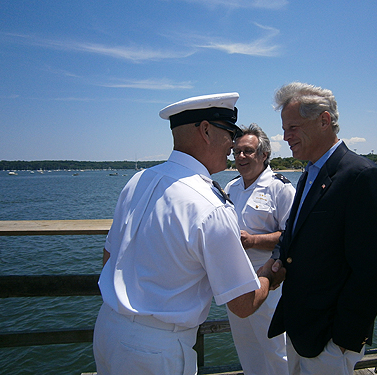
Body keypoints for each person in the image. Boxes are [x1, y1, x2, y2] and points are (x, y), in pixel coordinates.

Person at [93, 92, 285, 375]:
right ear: (206, 130)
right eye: (230, 133)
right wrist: (270, 274)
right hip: (157, 350)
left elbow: (109, 256)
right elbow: (243, 304)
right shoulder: (210, 205)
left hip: (108, 329)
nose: (232, 146)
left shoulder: (139, 180)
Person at [267, 82, 377, 375]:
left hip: (329, 342)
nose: (286, 137)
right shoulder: (308, 174)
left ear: (324, 120)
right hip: (299, 330)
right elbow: (294, 237)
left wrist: (343, 341)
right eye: (285, 128)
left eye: (293, 127)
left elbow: (371, 272)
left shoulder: (361, 177)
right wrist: (276, 261)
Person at [224, 123, 295, 375]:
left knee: (276, 348)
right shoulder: (230, 188)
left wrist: (252, 241)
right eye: (237, 152)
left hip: (270, 281)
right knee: (246, 345)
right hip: (236, 280)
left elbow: (293, 236)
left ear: (264, 155)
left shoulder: (280, 188)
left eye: (248, 151)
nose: (241, 157)